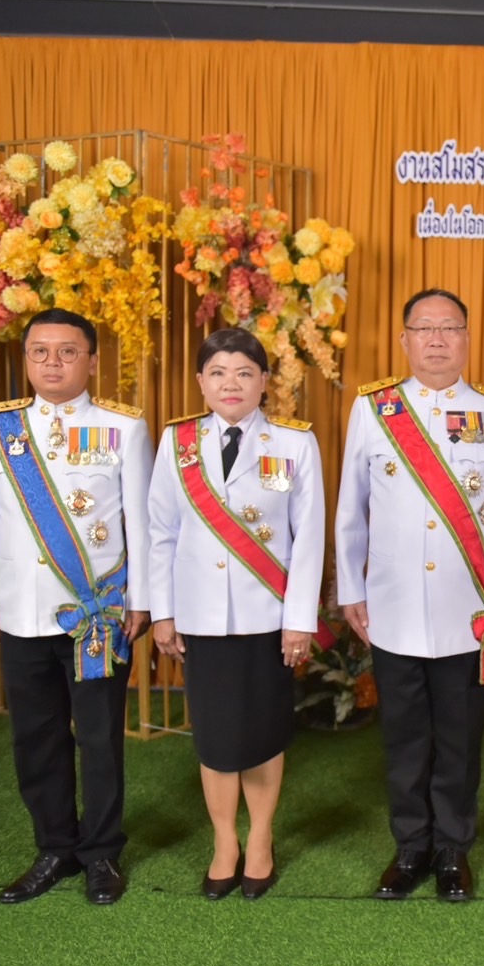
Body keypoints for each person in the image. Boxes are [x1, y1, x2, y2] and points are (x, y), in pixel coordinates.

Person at [336, 288, 484, 904]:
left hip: (468, 611)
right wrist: (350, 589)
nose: (438, 340)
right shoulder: (374, 409)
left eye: (450, 328)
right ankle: (410, 847)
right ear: (405, 341)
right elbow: (352, 512)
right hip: (391, 605)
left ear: (468, 339)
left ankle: (452, 850)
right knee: (403, 736)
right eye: (425, 329)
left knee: (459, 736)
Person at [0, 308, 152, 906]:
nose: (52, 362)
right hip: (19, 610)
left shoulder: (122, 427)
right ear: (25, 359)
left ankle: (101, 854)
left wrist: (143, 601)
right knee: (36, 736)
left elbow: (142, 525)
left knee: (98, 737)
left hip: (95, 616)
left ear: (92, 361)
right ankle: (54, 848)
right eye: (40, 351)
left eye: (67, 352)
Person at [147, 328, 324, 901]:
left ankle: (262, 840)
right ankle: (225, 842)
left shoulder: (295, 444)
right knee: (217, 738)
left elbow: (309, 540)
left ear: (264, 382)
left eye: (245, 373)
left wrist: (299, 619)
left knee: (264, 733)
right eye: (219, 372)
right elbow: (161, 535)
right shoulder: (177, 444)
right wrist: (164, 614)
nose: (231, 383)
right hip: (200, 618)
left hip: (267, 619)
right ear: (200, 382)